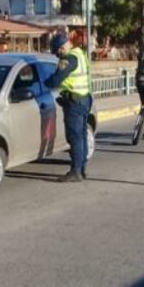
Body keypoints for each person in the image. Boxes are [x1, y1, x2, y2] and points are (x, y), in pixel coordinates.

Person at [44, 34, 93, 182]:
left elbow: (56, 80)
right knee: (82, 136)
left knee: (75, 137)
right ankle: (82, 169)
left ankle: (75, 172)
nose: (57, 56)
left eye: (57, 52)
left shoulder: (68, 59)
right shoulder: (80, 54)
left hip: (74, 103)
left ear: (62, 47)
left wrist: (44, 83)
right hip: (84, 98)